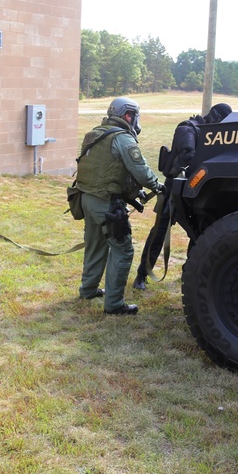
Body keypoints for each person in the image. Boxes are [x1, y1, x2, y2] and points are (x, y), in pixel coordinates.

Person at [75, 96, 163, 315]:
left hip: (86, 198)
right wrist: (158, 186)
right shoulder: (123, 139)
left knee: (95, 245)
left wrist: (133, 191)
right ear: (128, 116)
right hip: (106, 204)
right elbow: (142, 172)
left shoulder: (95, 133)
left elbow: (106, 169)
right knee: (123, 250)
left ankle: (88, 289)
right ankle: (114, 304)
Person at [133, 102, 232, 290]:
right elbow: (188, 154)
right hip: (175, 190)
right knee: (159, 233)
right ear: (215, 117)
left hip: (196, 192)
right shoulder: (188, 128)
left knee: (199, 234)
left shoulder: (210, 134)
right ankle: (142, 275)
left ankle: (189, 272)